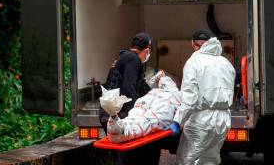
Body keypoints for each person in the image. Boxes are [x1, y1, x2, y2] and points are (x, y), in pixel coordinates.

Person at [165, 29, 236, 165]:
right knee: (210, 160)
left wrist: (177, 121)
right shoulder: (226, 63)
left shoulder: (193, 62)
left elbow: (190, 98)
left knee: (187, 160)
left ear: (193, 43)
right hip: (223, 120)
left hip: (201, 120)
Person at [99, 33, 161, 165]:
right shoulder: (133, 60)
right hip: (118, 114)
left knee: (125, 155)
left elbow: (141, 87)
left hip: (110, 113)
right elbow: (129, 89)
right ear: (147, 50)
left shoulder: (125, 58)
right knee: (129, 156)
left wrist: (158, 96)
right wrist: (135, 115)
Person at [104, 76, 181, 143]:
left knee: (143, 118)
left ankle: (121, 128)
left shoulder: (173, 94)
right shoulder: (172, 94)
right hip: (153, 107)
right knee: (144, 118)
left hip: (154, 106)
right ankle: (121, 128)